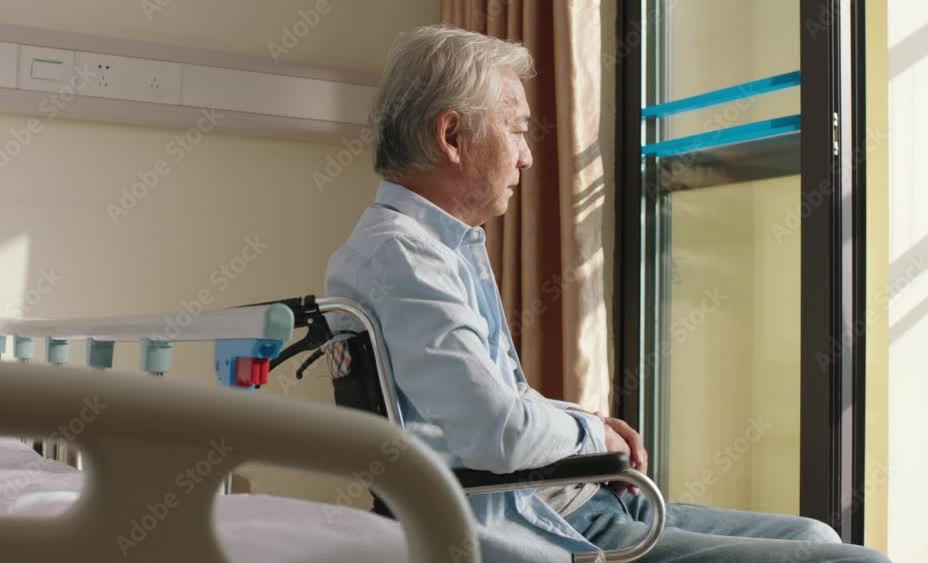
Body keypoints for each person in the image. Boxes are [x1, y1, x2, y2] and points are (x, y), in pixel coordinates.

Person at [325, 24, 890, 563]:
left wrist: (584, 421)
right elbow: (496, 433)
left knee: (815, 533)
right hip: (546, 523)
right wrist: (590, 432)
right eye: (516, 129)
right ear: (452, 136)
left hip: (571, 500)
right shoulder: (403, 261)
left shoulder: (432, 248)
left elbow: (489, 404)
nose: (525, 155)